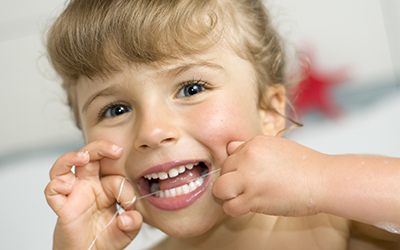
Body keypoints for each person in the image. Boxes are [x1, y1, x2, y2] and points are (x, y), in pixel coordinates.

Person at [44, 0, 400, 249]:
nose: (152, 131)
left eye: (191, 88)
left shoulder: (340, 223)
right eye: (116, 109)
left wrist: (321, 180)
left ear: (270, 111)